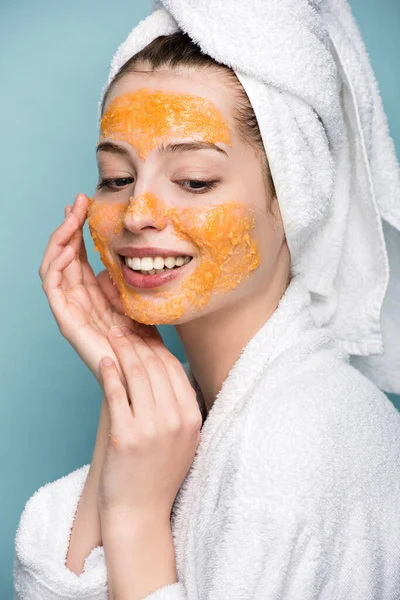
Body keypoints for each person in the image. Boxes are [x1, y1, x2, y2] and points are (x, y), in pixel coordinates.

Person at [13, 1, 400, 599]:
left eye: (194, 181)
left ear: (296, 195)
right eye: (116, 178)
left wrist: (138, 518)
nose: (137, 214)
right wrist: (125, 375)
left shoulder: (301, 443)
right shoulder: (202, 409)